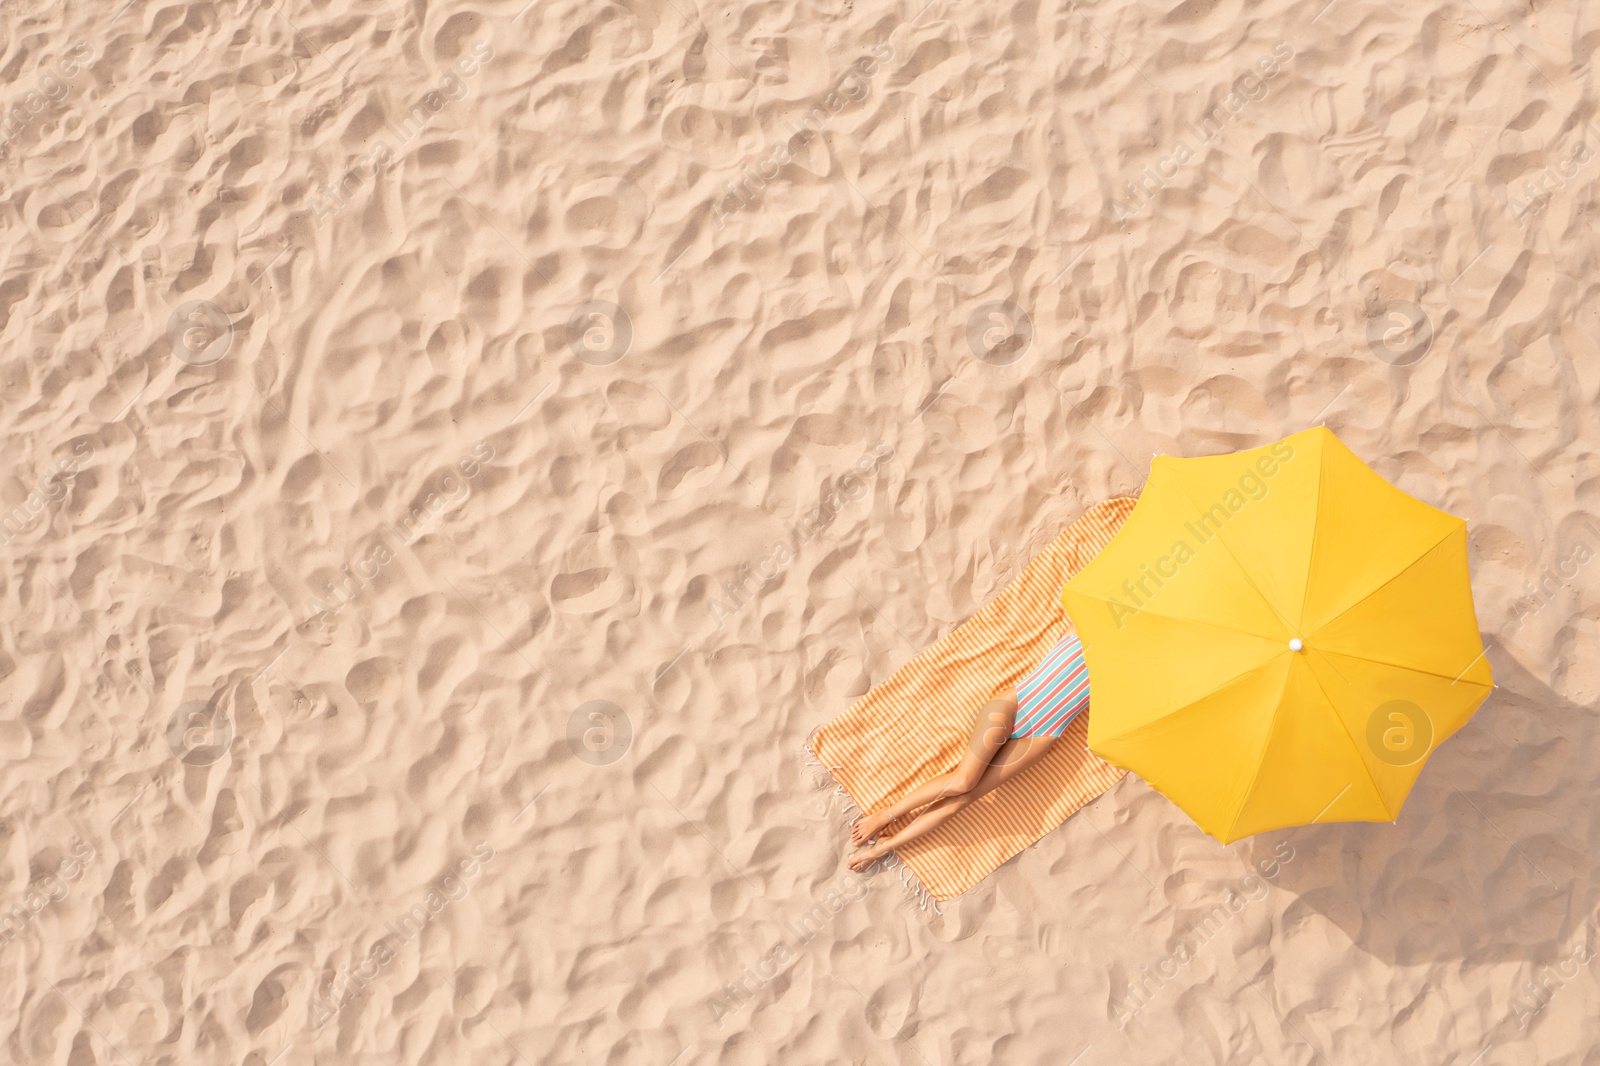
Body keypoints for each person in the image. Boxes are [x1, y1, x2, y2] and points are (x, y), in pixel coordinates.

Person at [845, 630, 1091, 871]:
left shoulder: (1124, 671)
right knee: (963, 782)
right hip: (1014, 704)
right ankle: (888, 815)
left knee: (964, 798)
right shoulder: (1086, 620)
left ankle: (886, 846)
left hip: (1043, 734)